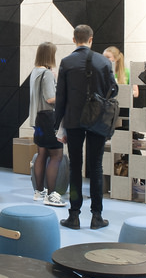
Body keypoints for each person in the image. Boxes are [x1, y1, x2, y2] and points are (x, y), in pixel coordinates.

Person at [55, 24, 118, 230]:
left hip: (73, 120)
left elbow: (61, 96)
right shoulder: (104, 61)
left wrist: (58, 124)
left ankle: (74, 215)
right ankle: (96, 216)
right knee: (96, 166)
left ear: (74, 39)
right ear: (91, 39)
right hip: (97, 119)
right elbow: (113, 89)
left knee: (75, 167)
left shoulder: (66, 62)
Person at [29, 42, 65, 207]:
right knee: (56, 155)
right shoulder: (47, 74)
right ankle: (51, 195)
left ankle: (39, 191)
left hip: (38, 119)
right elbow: (50, 98)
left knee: (42, 154)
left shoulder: (35, 72)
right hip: (49, 118)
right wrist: (64, 95)